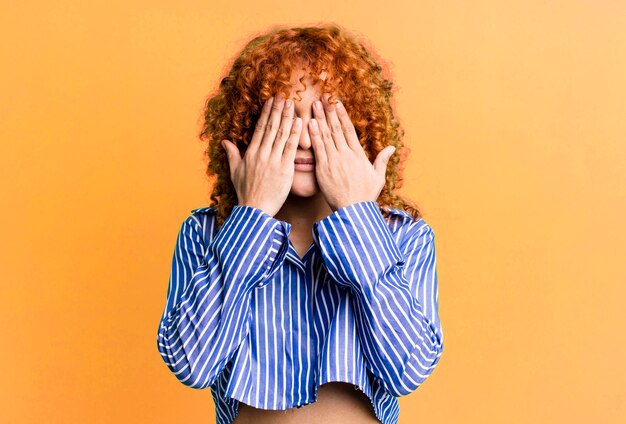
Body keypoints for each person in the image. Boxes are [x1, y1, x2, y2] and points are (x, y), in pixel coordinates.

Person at [156, 24, 444, 424]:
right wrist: (251, 214)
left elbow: (408, 370)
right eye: (285, 118)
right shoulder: (205, 233)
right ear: (248, 129)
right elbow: (192, 364)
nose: (306, 141)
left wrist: (358, 215)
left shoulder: (403, 236)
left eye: (325, 120)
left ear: (360, 130)